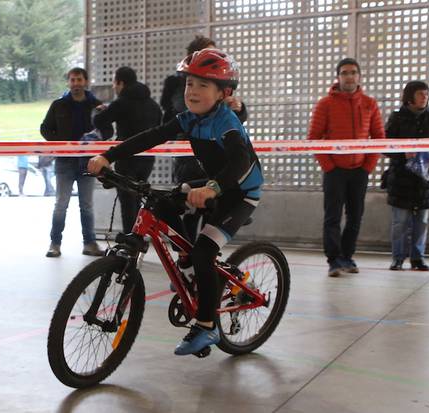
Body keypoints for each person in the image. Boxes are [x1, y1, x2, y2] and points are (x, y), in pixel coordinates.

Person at [88, 49, 263, 357]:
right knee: (163, 204)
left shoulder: (227, 122)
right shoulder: (189, 119)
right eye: (189, 84)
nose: (192, 91)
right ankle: (188, 266)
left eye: (202, 86)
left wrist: (213, 188)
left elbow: (241, 163)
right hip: (211, 186)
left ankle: (207, 325)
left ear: (224, 93)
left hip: (239, 194)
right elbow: (150, 136)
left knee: (205, 252)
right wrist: (107, 156)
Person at [161, 35, 248, 246]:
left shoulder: (219, 82)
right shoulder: (177, 83)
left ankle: (205, 265)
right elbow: (182, 110)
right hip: (189, 158)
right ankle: (187, 270)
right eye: (209, 53)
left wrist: (237, 108)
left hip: (217, 159)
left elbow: (236, 125)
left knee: (212, 224)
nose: (216, 59)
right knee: (189, 220)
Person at [308, 58, 384, 277]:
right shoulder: (325, 104)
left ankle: (347, 257)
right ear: (338, 77)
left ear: (359, 76)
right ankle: (334, 260)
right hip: (335, 172)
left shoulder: (370, 104)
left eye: (353, 72)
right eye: (344, 73)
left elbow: (379, 137)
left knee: (355, 215)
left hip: (359, 170)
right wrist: (329, 166)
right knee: (332, 216)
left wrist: (367, 167)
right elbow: (314, 138)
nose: (349, 76)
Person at [40, 68, 112, 257]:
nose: (75, 84)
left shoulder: (97, 106)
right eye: (72, 80)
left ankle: (89, 244)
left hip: (89, 163)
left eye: (79, 80)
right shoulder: (58, 105)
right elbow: (45, 128)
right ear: (68, 83)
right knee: (61, 204)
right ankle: (54, 244)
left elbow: (109, 132)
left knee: (86, 205)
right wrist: (60, 143)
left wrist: (98, 138)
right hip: (64, 162)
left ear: (86, 82)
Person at [93, 66, 162, 232]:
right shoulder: (153, 104)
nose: (113, 87)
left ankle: (129, 244)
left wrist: (102, 111)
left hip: (126, 158)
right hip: (147, 160)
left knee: (127, 202)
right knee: (138, 200)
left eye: (114, 83)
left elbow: (99, 122)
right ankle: (138, 236)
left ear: (120, 83)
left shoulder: (121, 102)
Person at [383, 81, 429, 271]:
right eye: (420, 94)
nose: (424, 98)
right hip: (401, 178)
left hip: (425, 180)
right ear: (409, 96)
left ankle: (417, 258)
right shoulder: (397, 118)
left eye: (426, 94)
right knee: (400, 222)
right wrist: (403, 154)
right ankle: (398, 258)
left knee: (422, 222)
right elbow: (385, 146)